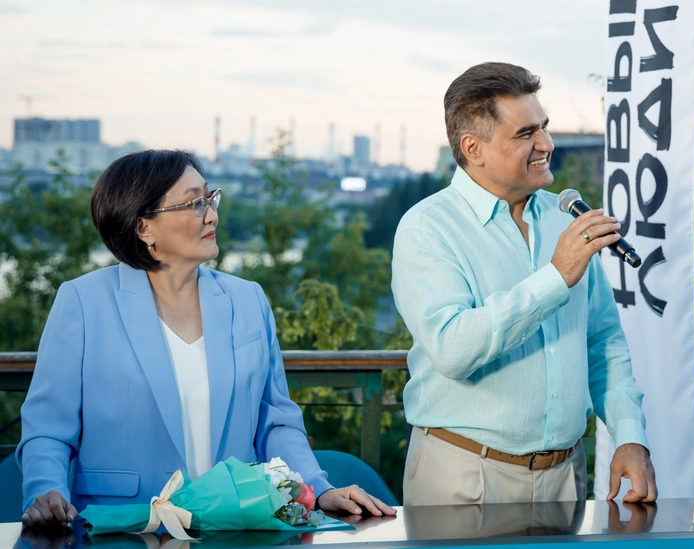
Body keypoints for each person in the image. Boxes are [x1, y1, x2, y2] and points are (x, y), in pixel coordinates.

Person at [17, 150, 396, 528]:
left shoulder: (247, 299)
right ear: (144, 227)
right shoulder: (83, 302)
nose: (211, 215)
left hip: (235, 525)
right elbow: (48, 429)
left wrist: (317, 489)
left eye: (210, 198)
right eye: (194, 204)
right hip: (122, 528)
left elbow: (275, 421)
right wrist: (46, 491)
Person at [392, 62, 656, 505]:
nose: (547, 144)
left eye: (544, 127)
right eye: (526, 133)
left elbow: (603, 341)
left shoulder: (564, 218)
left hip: (567, 475)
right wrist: (555, 277)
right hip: (465, 477)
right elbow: (452, 350)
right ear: (473, 148)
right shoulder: (426, 228)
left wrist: (630, 436)